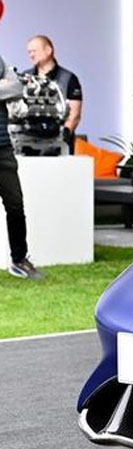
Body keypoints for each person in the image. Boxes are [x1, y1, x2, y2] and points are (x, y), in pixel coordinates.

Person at [0, 49, 43, 279]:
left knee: (15, 204)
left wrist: (8, 86)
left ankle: (19, 260)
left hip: (3, 148)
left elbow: (16, 88)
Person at [24, 35, 83, 152]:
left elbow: (74, 115)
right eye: (29, 52)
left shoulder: (69, 78)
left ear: (48, 50)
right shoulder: (26, 77)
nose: (31, 55)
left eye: (34, 51)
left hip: (59, 146)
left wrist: (62, 138)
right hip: (28, 143)